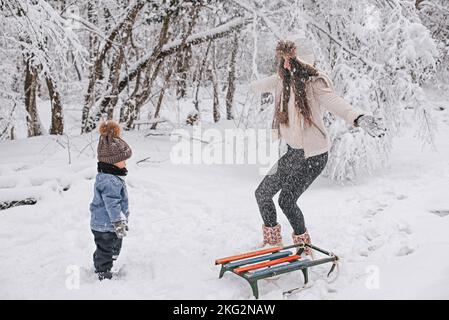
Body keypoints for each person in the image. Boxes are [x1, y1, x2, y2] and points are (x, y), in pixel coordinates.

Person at [250, 40, 385, 257]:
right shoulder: (282, 81)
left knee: (286, 200)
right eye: (283, 60)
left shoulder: (315, 84)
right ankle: (272, 243)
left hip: (313, 155)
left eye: (289, 60)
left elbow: (335, 102)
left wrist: (358, 117)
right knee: (263, 194)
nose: (285, 65)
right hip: (294, 152)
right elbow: (258, 86)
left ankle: (303, 248)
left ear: (301, 61)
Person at [89, 120, 132, 280]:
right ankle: (102, 271)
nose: (125, 162)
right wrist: (118, 222)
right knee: (106, 249)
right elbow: (112, 203)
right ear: (112, 162)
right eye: (123, 160)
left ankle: (104, 263)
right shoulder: (109, 181)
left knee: (112, 247)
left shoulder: (111, 176)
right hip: (106, 226)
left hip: (108, 225)